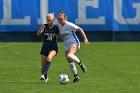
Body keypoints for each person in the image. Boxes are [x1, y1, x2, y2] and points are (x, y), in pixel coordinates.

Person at [57, 11, 89, 82]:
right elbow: (61, 36)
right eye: (58, 19)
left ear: (65, 18)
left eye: (61, 19)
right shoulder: (59, 26)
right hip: (66, 45)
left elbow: (80, 29)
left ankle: (81, 64)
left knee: (70, 55)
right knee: (70, 62)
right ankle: (76, 77)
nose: (60, 21)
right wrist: (58, 35)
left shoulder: (69, 24)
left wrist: (85, 38)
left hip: (74, 43)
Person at [37, 13, 59, 83]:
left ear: (53, 20)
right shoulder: (44, 26)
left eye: (50, 20)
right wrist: (40, 30)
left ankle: (43, 75)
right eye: (47, 20)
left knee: (49, 58)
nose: (49, 22)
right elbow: (38, 34)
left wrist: (57, 35)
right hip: (45, 47)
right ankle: (45, 77)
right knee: (43, 66)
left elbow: (60, 36)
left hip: (53, 48)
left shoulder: (56, 28)